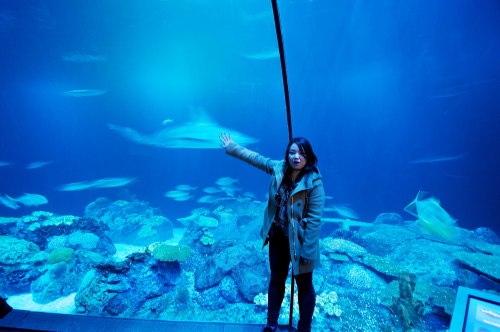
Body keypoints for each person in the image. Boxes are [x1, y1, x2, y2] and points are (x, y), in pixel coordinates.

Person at [219, 133, 325, 332]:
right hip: (278, 236)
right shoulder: (279, 168)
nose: (296, 157)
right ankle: (271, 323)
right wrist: (233, 147)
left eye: (301, 153)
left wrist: (307, 252)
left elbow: (314, 220)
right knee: (277, 280)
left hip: (302, 243)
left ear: (308, 157)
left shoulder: (314, 183)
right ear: (287, 155)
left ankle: (304, 328)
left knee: (304, 286)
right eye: (292, 152)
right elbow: (256, 159)